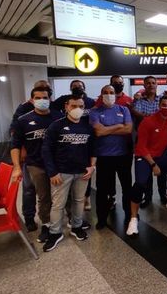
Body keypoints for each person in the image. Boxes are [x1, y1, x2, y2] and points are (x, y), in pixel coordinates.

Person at [41, 95, 96, 252]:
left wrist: (92, 167)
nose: (77, 109)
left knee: (79, 201)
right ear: (66, 107)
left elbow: (93, 149)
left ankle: (76, 227)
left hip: (82, 172)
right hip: (62, 172)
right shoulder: (56, 126)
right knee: (58, 204)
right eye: (73, 106)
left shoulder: (87, 127)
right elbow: (46, 151)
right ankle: (55, 233)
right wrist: (52, 172)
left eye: (81, 106)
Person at [11, 86, 63, 243]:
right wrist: (16, 167)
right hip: (36, 164)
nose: (42, 100)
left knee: (61, 195)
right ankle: (46, 225)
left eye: (45, 97)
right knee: (44, 196)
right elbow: (15, 145)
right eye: (38, 98)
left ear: (50, 99)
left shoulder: (58, 116)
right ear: (32, 100)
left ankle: (67, 223)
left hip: (58, 164)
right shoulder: (23, 120)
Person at [130, 96, 167, 235]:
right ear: (159, 105)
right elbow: (141, 147)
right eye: (164, 105)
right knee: (140, 184)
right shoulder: (148, 121)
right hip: (143, 156)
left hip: (161, 154)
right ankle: (133, 219)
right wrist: (153, 165)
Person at [89, 85, 133, 229]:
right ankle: (102, 218)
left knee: (127, 188)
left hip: (123, 156)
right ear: (101, 95)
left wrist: (107, 128)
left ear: (116, 95)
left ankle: (129, 215)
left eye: (111, 93)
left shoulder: (123, 109)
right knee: (102, 190)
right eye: (105, 92)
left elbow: (128, 129)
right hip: (103, 157)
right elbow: (99, 132)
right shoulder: (95, 112)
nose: (109, 95)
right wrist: (118, 126)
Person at [132, 76, 167, 207]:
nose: (151, 85)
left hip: (161, 139)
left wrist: (150, 117)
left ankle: (163, 195)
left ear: (157, 85)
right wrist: (154, 118)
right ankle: (148, 196)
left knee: (161, 169)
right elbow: (137, 114)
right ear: (144, 86)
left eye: (153, 83)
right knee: (146, 169)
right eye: (148, 83)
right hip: (145, 139)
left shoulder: (162, 99)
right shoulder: (140, 100)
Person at [52, 79, 96, 211]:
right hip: (68, 137)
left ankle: (86, 198)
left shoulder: (90, 102)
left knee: (84, 173)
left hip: (85, 138)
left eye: (80, 86)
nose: (77, 88)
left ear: (84, 88)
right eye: (74, 86)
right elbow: (51, 108)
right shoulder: (65, 99)